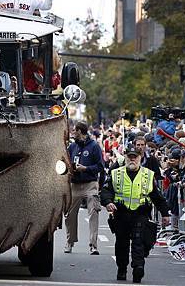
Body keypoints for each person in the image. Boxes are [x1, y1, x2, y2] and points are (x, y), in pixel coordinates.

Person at [101, 144, 170, 283]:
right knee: (122, 243)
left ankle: (138, 267)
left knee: (139, 242)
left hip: (140, 213)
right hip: (121, 213)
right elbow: (106, 190)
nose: (132, 160)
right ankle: (122, 268)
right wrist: (108, 202)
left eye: (135, 157)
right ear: (125, 157)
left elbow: (157, 196)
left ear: (140, 158)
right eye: (130, 157)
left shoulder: (148, 175)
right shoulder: (116, 173)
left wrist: (165, 214)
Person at [64, 121, 104, 255]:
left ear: (80, 131)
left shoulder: (94, 147)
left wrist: (85, 168)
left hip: (90, 184)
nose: (72, 133)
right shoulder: (72, 147)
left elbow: (100, 166)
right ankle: (70, 242)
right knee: (69, 214)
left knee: (93, 212)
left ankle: (93, 245)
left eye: (74, 130)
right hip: (74, 184)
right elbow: (66, 162)